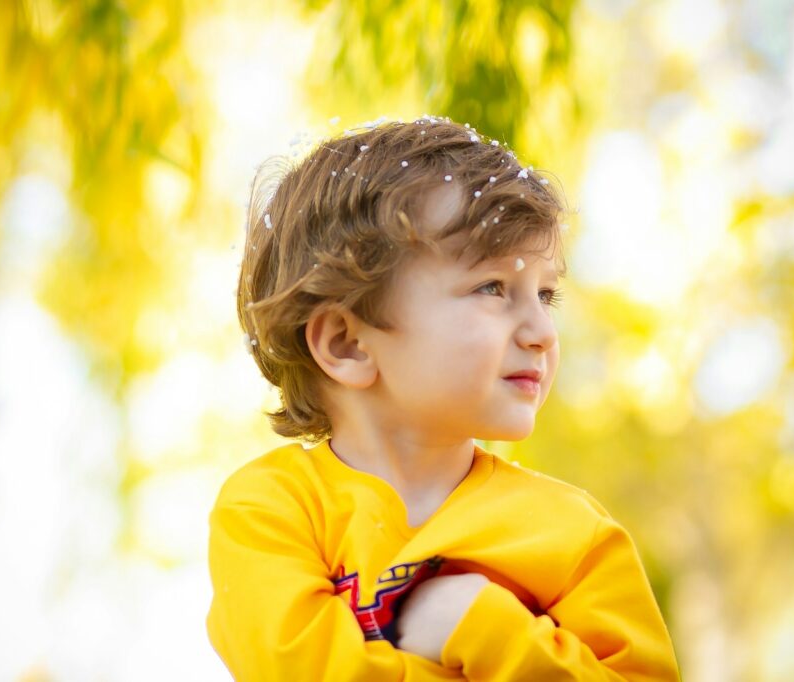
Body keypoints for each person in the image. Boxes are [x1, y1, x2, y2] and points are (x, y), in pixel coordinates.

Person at [206, 116, 681, 680]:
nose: (542, 332)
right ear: (348, 342)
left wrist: (480, 625)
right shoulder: (270, 511)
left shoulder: (576, 535)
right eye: (492, 287)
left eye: (546, 295)